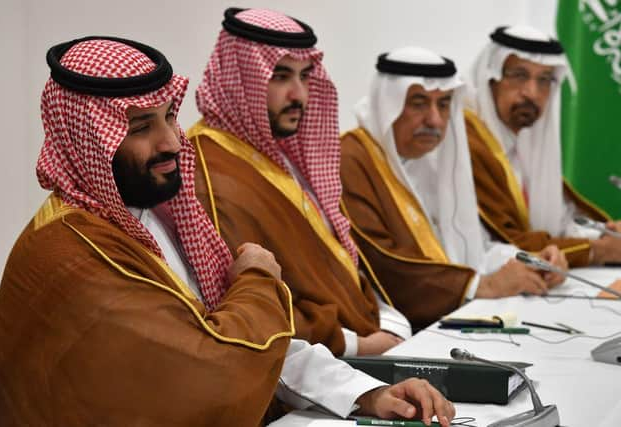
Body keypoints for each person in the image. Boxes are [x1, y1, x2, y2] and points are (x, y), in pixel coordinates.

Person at [0, 37, 455, 426]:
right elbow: (219, 367)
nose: (172, 141)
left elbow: (260, 346)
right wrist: (256, 277)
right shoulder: (73, 252)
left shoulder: (154, 215)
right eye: (142, 126)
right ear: (88, 140)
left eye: (170, 116)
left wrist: (368, 393)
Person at [189, 7, 411, 356]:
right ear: (239, 79)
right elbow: (244, 301)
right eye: (280, 76)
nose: (299, 94)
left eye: (305, 76)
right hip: (309, 372)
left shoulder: (282, 155)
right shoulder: (209, 172)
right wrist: (356, 345)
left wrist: (383, 319)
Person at [340, 47, 567, 330]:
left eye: (444, 104)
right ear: (389, 105)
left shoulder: (434, 159)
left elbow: (470, 246)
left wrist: (527, 261)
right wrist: (480, 286)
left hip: (449, 315)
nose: (434, 120)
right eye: (419, 103)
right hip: (391, 328)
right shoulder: (351, 159)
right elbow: (385, 264)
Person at [465, 25, 621, 268]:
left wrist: (605, 236)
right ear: (491, 77)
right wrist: (598, 250)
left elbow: (563, 222)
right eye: (519, 76)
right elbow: (500, 242)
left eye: (544, 80)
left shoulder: (526, 143)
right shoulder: (467, 145)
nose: (532, 93)